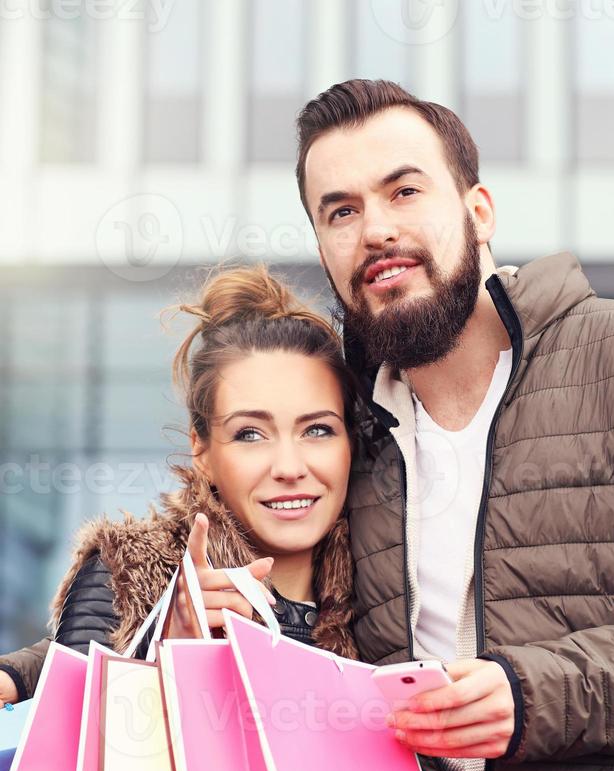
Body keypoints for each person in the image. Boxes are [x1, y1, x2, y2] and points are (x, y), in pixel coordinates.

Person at [295, 79, 614, 771]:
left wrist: (534, 694)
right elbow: (185, 558)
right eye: (340, 210)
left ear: (479, 209)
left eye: (403, 190)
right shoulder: (340, 438)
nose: (374, 228)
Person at [0, 265, 358, 700]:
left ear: (350, 443)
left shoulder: (390, 592)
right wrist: (161, 656)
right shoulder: (128, 576)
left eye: (317, 430)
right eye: (250, 434)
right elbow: (78, 743)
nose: (289, 466)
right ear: (202, 451)